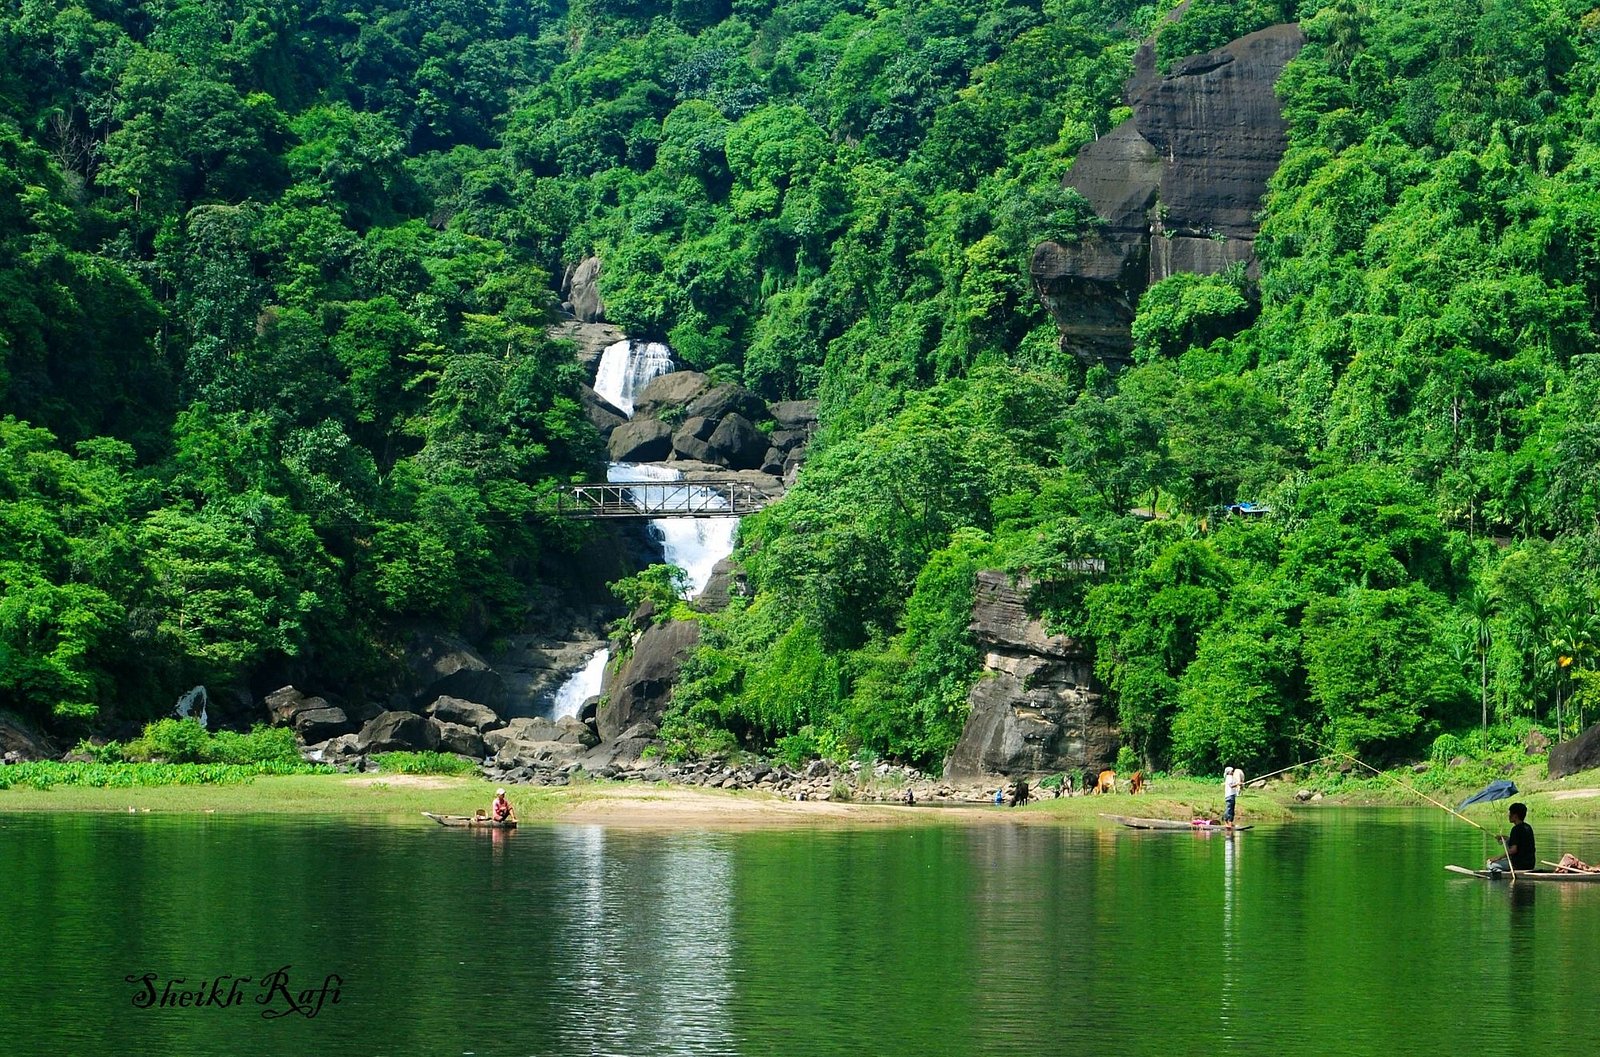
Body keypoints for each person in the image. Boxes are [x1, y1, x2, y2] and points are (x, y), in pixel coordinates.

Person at [1487, 802, 1535, 872]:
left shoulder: (1515, 829)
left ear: (1515, 816)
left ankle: (1503, 877)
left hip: (1518, 864)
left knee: (1490, 864)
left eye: (1510, 813)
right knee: (1508, 841)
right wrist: (1503, 837)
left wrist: (1498, 858)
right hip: (1530, 864)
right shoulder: (1528, 827)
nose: (1508, 815)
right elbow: (1517, 841)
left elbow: (1513, 850)